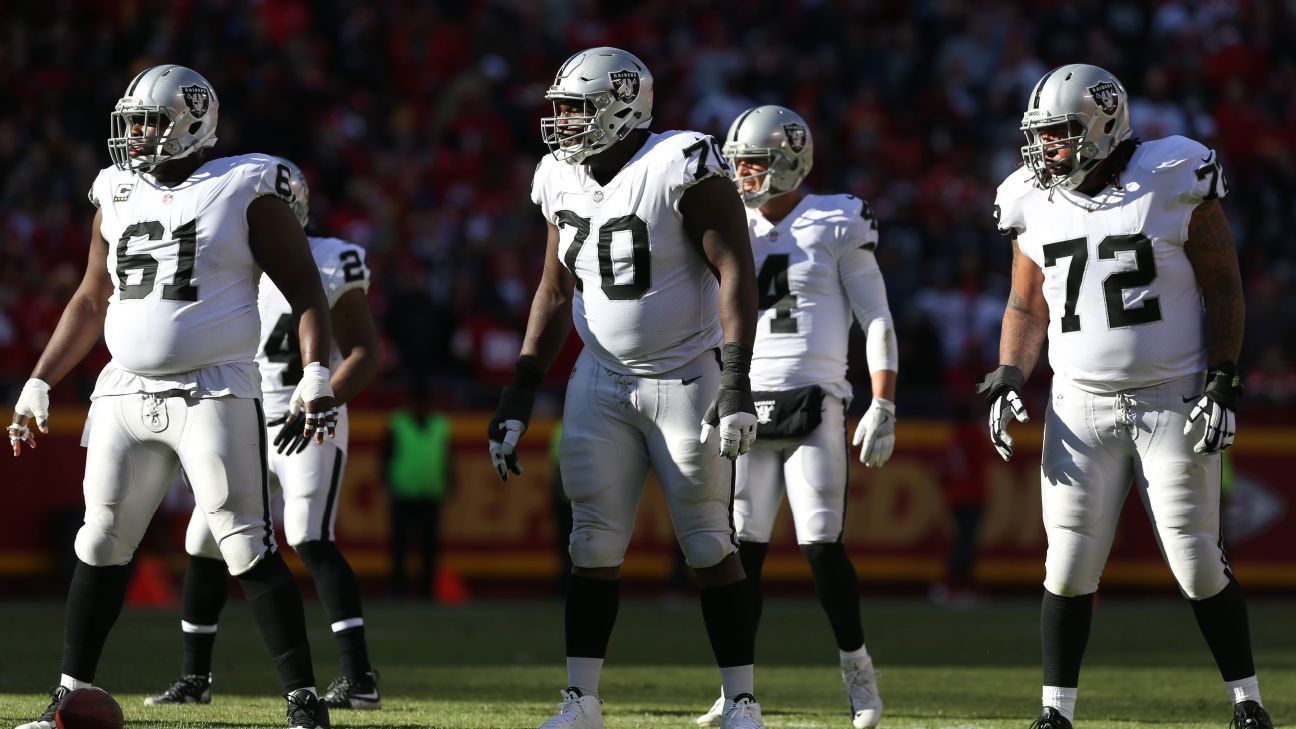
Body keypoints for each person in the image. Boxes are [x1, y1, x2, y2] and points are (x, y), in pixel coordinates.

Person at [8, 65, 332, 729]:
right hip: (124, 387)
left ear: (192, 120)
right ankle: (68, 695)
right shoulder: (116, 189)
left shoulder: (244, 184)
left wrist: (315, 372)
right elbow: (91, 296)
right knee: (99, 539)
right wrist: (40, 377)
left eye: (150, 121)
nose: (136, 135)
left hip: (212, 384)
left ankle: (303, 701)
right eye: (131, 122)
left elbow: (304, 289)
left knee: (245, 541)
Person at [981, 64, 1272, 729]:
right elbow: (1026, 307)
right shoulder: (1030, 196)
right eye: (1041, 135)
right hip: (1078, 403)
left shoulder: (1172, 173)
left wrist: (1223, 378)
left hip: (1170, 397)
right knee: (1069, 559)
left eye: (1060, 132)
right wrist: (1008, 373)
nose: (1045, 148)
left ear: (1106, 125)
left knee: (1196, 559)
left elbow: (1224, 285)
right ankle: (1055, 713)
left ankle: (1248, 700)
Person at [487, 47, 765, 729]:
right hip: (600, 379)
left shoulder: (681, 161)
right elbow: (555, 291)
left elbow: (735, 270)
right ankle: (582, 699)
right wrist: (521, 389)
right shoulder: (558, 174)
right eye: (560, 110)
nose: (563, 125)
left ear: (622, 104)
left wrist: (735, 382)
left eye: (576, 110)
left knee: (707, 541)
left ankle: (741, 698)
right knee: (591, 541)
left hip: (685, 374)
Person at [147, 158, 382, 711]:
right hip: (242, 419)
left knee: (308, 534)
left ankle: (359, 677)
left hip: (306, 417)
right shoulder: (227, 257)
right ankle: (195, 679)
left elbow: (365, 353)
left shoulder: (330, 258)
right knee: (203, 542)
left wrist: (323, 398)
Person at [695, 105, 896, 729]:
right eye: (739, 163)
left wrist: (883, 400)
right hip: (745, 404)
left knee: (819, 545)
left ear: (790, 161)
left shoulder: (836, 220)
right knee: (743, 551)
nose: (743, 175)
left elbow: (877, 318)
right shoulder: (731, 223)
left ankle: (859, 674)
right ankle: (738, 692)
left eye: (753, 163)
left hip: (816, 400)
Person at [384, 383, 454, 599]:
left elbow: (448, 458)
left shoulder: (441, 425)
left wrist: (451, 482)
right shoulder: (397, 424)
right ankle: (399, 588)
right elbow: (385, 456)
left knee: (429, 547)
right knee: (400, 546)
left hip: (431, 494)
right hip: (403, 494)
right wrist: (387, 485)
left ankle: (426, 590)